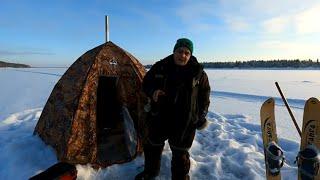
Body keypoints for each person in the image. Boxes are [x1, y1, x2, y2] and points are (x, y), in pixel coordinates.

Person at [136, 38, 211, 180]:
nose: (182, 55)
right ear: (174, 51)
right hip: (159, 116)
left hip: (185, 120)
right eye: (180, 51)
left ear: (190, 55)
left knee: (180, 153)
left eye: (186, 53)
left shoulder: (199, 73)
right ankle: (150, 173)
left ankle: (180, 177)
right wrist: (153, 92)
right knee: (153, 147)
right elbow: (146, 83)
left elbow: (205, 96)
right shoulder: (160, 66)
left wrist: (201, 115)